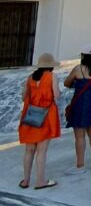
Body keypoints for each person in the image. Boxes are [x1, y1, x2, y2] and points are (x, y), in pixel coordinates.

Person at [18, 53, 61, 190]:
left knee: (29, 150)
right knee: (41, 151)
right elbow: (56, 95)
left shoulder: (30, 78)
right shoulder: (52, 77)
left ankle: (25, 180)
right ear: (51, 66)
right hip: (46, 116)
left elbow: (23, 96)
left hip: (31, 116)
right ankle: (40, 181)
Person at [63, 49, 91, 173]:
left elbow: (67, 82)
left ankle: (80, 165)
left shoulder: (79, 69)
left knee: (80, 135)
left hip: (81, 102)